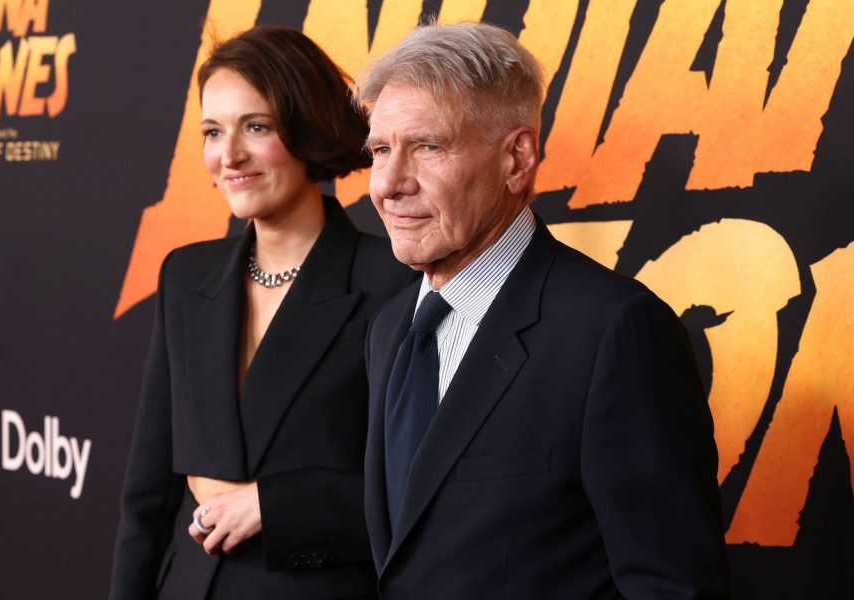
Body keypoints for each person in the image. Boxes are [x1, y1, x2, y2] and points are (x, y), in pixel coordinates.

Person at [356, 22, 731, 599]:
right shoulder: (389, 329)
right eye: (381, 149)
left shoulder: (613, 332)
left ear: (517, 158)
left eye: (428, 146)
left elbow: (672, 587)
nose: (387, 184)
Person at [110, 25, 413, 600]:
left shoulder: (395, 283)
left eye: (256, 127)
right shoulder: (185, 276)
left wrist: (273, 505)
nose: (229, 157)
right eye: (212, 131)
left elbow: (419, 493)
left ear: (307, 129)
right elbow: (147, 496)